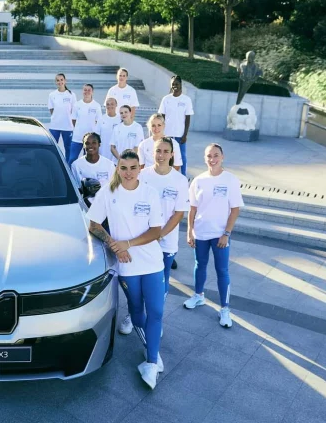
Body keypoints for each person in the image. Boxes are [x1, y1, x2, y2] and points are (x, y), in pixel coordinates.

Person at [86, 150, 165, 389]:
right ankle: (150, 346)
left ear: (140, 168)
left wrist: (128, 244)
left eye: (133, 168)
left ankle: (151, 360)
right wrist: (115, 246)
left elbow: (156, 231)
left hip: (151, 261)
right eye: (123, 168)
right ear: (117, 169)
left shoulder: (149, 193)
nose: (128, 173)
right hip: (127, 264)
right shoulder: (108, 193)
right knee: (136, 311)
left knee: (157, 311)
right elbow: (93, 224)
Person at [184, 143, 244, 329]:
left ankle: (225, 309)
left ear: (222, 157)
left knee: (222, 271)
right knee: (199, 265)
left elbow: (235, 210)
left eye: (216, 155)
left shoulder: (230, 180)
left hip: (220, 235)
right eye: (209, 156)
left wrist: (226, 233)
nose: (212, 159)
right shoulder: (198, 181)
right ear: (205, 158)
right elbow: (192, 209)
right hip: (201, 232)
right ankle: (198, 296)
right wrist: (190, 231)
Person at [139, 138, 190, 299]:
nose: (161, 155)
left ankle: (156, 315)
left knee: (162, 279)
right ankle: (135, 317)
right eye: (158, 151)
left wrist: (159, 235)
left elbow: (179, 213)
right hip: (143, 238)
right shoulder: (142, 176)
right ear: (152, 153)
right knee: (142, 279)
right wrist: (148, 236)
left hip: (166, 241)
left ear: (172, 154)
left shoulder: (180, 180)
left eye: (165, 151)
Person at [158, 76, 194, 176]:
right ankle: (167, 175)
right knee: (167, 156)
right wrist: (161, 133)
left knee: (182, 156)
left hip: (180, 135)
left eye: (177, 84)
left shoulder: (186, 100)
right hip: (167, 135)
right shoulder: (166, 99)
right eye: (173, 84)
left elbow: (187, 118)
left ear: (181, 84)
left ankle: (183, 176)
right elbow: (162, 117)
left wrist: (185, 135)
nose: (175, 86)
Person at [71, 132, 115, 205]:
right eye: (87, 143)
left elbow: (114, 187)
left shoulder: (109, 165)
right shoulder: (76, 165)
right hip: (84, 206)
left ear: (99, 144)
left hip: (104, 206)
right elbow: (75, 189)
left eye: (94, 143)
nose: (90, 146)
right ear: (83, 146)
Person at [69, 84, 102, 165]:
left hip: (90, 139)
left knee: (88, 159)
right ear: (82, 91)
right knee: (72, 158)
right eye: (85, 90)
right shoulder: (77, 104)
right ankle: (69, 177)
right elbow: (73, 120)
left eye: (89, 90)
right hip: (77, 137)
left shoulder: (96, 106)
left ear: (92, 92)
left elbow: (98, 121)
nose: (87, 92)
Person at [47, 73, 76, 161]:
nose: (60, 82)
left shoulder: (71, 95)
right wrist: (57, 117)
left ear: (65, 81)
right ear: (55, 82)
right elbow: (51, 109)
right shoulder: (52, 95)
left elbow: (74, 110)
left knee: (68, 148)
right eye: (58, 80)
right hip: (55, 126)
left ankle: (68, 167)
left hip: (67, 126)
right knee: (53, 147)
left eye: (61, 80)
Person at [97, 97, 121, 163]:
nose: (110, 106)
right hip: (103, 152)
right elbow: (96, 136)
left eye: (112, 104)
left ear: (116, 105)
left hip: (116, 154)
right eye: (108, 104)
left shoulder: (120, 119)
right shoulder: (101, 119)